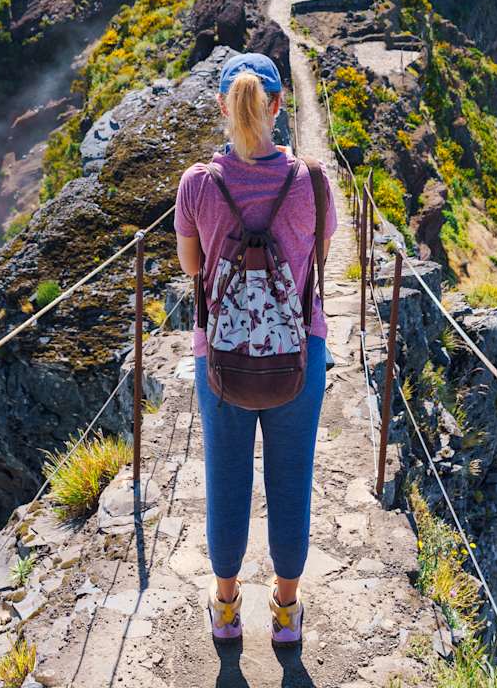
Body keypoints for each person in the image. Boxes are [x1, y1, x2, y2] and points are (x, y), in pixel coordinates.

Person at [174, 51, 337, 647]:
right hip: (299, 355)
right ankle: (287, 615)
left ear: (222, 106)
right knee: (292, 479)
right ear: (277, 106)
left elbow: (192, 267)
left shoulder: (197, 184)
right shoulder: (312, 182)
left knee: (226, 479)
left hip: (219, 358)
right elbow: (320, 256)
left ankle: (225, 608)